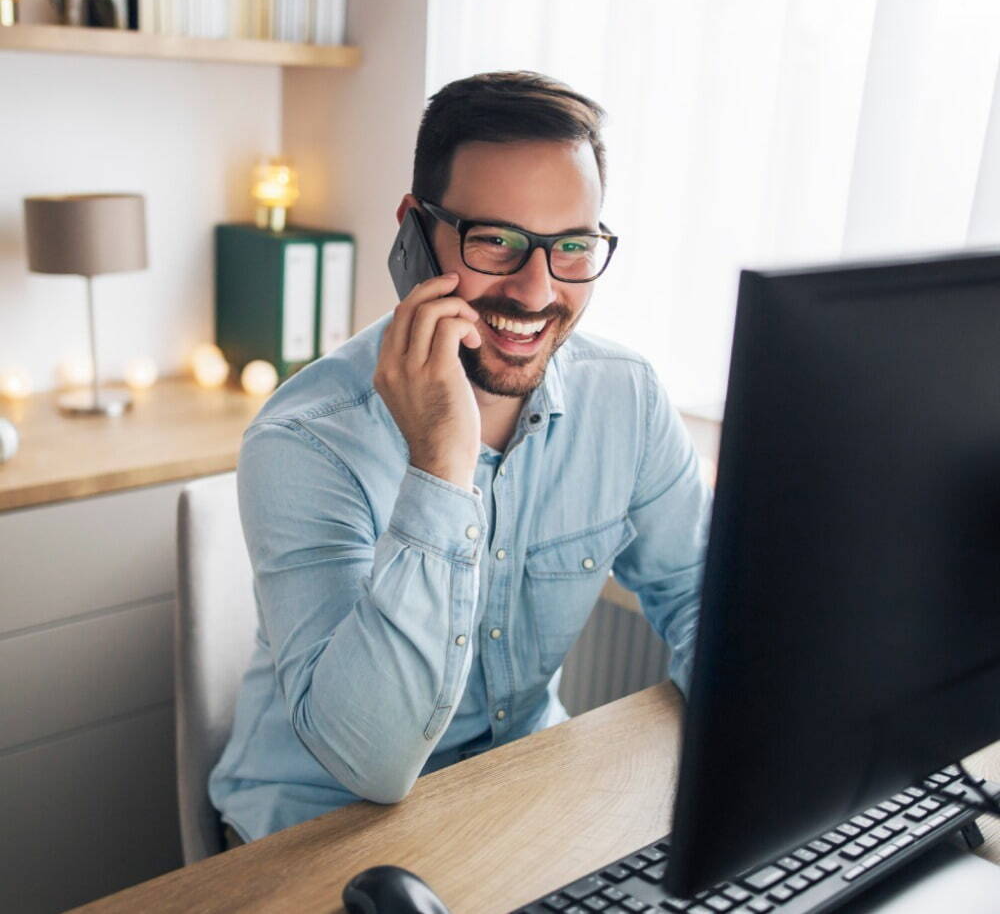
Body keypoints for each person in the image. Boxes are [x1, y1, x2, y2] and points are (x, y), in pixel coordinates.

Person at [210, 71, 712, 847]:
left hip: (519, 796)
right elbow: (370, 765)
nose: (538, 289)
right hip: (316, 826)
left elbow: (703, 593)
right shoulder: (305, 438)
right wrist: (440, 463)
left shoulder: (629, 399)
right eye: (497, 240)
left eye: (572, 245)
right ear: (414, 231)